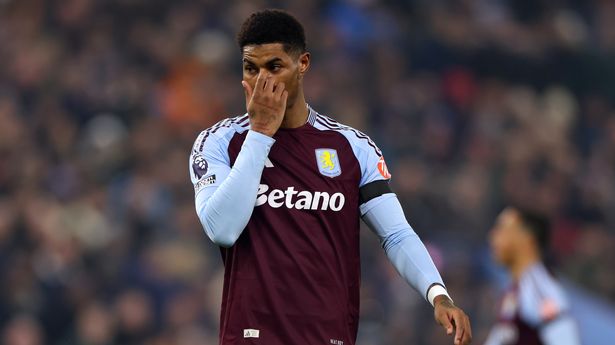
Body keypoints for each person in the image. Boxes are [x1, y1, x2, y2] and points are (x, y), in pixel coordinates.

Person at [189, 9, 471, 345]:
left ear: (303, 64)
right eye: (252, 68)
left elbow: (395, 233)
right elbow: (222, 229)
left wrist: (437, 294)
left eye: (274, 66)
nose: (262, 81)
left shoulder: (352, 147)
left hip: (329, 337)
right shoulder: (219, 142)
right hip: (252, 337)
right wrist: (262, 133)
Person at [485, 207, 580, 345]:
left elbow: (565, 339)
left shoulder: (538, 288)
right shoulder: (514, 292)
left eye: (502, 229)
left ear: (527, 238)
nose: (492, 236)